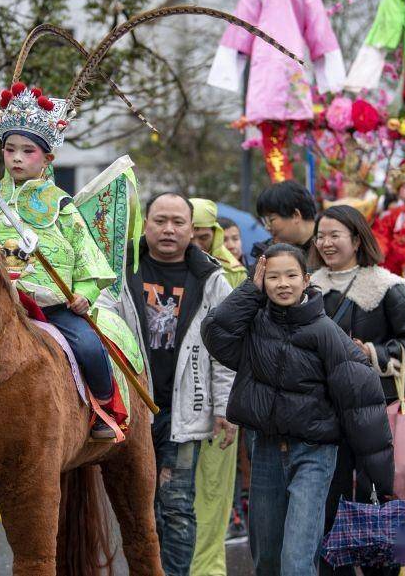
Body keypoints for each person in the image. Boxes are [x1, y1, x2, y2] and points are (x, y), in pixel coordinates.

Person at [202, 243, 393, 575]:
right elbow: (216, 332)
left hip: (314, 455)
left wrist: (380, 477)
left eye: (291, 275)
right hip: (264, 450)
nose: (283, 284)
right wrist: (250, 290)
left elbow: (362, 402)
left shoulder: (326, 333)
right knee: (267, 560)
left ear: (306, 280)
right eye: (273, 276)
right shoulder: (254, 324)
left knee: (296, 560)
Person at [97, 192, 236, 576]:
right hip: (132, 409)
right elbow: (100, 320)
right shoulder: (118, 269)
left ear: (194, 229)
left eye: (178, 222)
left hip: (184, 412)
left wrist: (225, 408)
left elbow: (224, 353)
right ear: (146, 223)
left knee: (176, 505)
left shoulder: (211, 280)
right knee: (135, 506)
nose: (169, 229)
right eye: (160, 220)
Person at [308, 205, 405, 576]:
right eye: (321, 235)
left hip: (374, 412)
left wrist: (374, 353)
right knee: (331, 498)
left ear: (357, 240)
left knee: (376, 498)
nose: (326, 243)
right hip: (322, 412)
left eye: (335, 235)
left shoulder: (387, 286)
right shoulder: (307, 284)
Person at [0, 90, 119, 440]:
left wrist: (84, 295)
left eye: (27, 151)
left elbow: (91, 261)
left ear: (46, 158)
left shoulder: (62, 206)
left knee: (89, 347)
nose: (16, 158)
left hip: (51, 307)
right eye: (10, 149)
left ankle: (102, 410)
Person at [208, 0, 344, 183]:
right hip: (266, 56)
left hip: (292, 55)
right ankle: (280, 181)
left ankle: (288, 182)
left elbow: (316, 19)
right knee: (270, 122)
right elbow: (244, 19)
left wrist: (324, 58)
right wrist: (233, 57)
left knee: (290, 126)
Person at [190, 198, 245, 575]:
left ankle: (208, 567)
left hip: (222, 396)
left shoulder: (234, 275)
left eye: (203, 236)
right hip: (173, 399)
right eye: (189, 234)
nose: (194, 243)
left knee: (213, 487)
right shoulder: (152, 271)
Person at [252, 180, 318, 263]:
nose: (267, 227)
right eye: (265, 221)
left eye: (271, 220)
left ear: (295, 215)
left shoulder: (329, 248)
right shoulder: (267, 253)